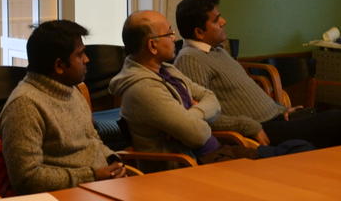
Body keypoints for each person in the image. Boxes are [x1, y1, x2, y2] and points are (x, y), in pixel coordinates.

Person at [109, 10, 311, 164]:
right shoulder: (143, 88)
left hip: (216, 152)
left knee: (300, 147)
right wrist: (198, 115)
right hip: (193, 164)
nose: (174, 38)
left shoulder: (167, 70)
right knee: (299, 155)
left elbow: (211, 97)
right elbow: (196, 135)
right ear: (152, 46)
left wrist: (192, 114)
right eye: (169, 33)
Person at [173, 0, 341, 149]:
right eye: (216, 20)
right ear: (199, 32)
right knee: (340, 122)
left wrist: (283, 110)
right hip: (261, 129)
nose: (224, 21)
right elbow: (202, 117)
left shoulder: (217, 51)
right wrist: (248, 126)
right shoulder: (190, 59)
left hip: (277, 118)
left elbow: (248, 96)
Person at [0, 19, 125, 193]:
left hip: (98, 188)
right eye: (80, 55)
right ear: (59, 66)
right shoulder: (24, 106)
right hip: (67, 198)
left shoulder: (70, 90)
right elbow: (27, 179)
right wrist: (92, 176)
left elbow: (92, 141)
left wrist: (112, 161)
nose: (87, 59)